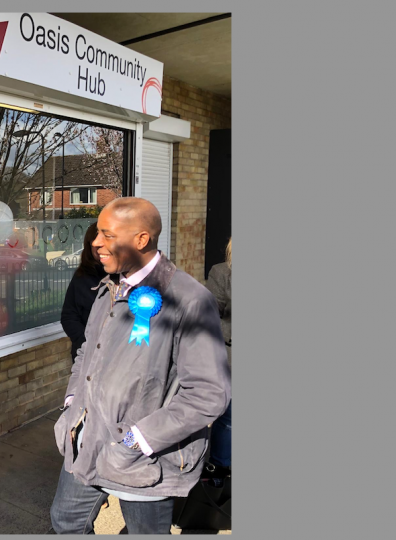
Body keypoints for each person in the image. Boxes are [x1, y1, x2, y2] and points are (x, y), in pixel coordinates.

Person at [49, 197, 231, 534]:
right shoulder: (108, 287)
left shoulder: (189, 300)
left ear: (141, 240)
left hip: (143, 457)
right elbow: (87, 350)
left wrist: (137, 441)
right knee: (66, 521)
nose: (95, 243)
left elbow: (209, 394)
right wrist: (72, 406)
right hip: (88, 442)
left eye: (106, 235)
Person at [204, 237, 232, 479]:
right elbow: (210, 317)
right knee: (230, 419)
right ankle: (218, 473)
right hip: (231, 358)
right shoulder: (222, 273)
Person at [60, 222, 106, 363]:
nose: (99, 246)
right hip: (86, 355)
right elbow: (69, 316)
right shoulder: (82, 277)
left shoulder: (126, 276)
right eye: (94, 241)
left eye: (104, 240)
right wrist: (86, 343)